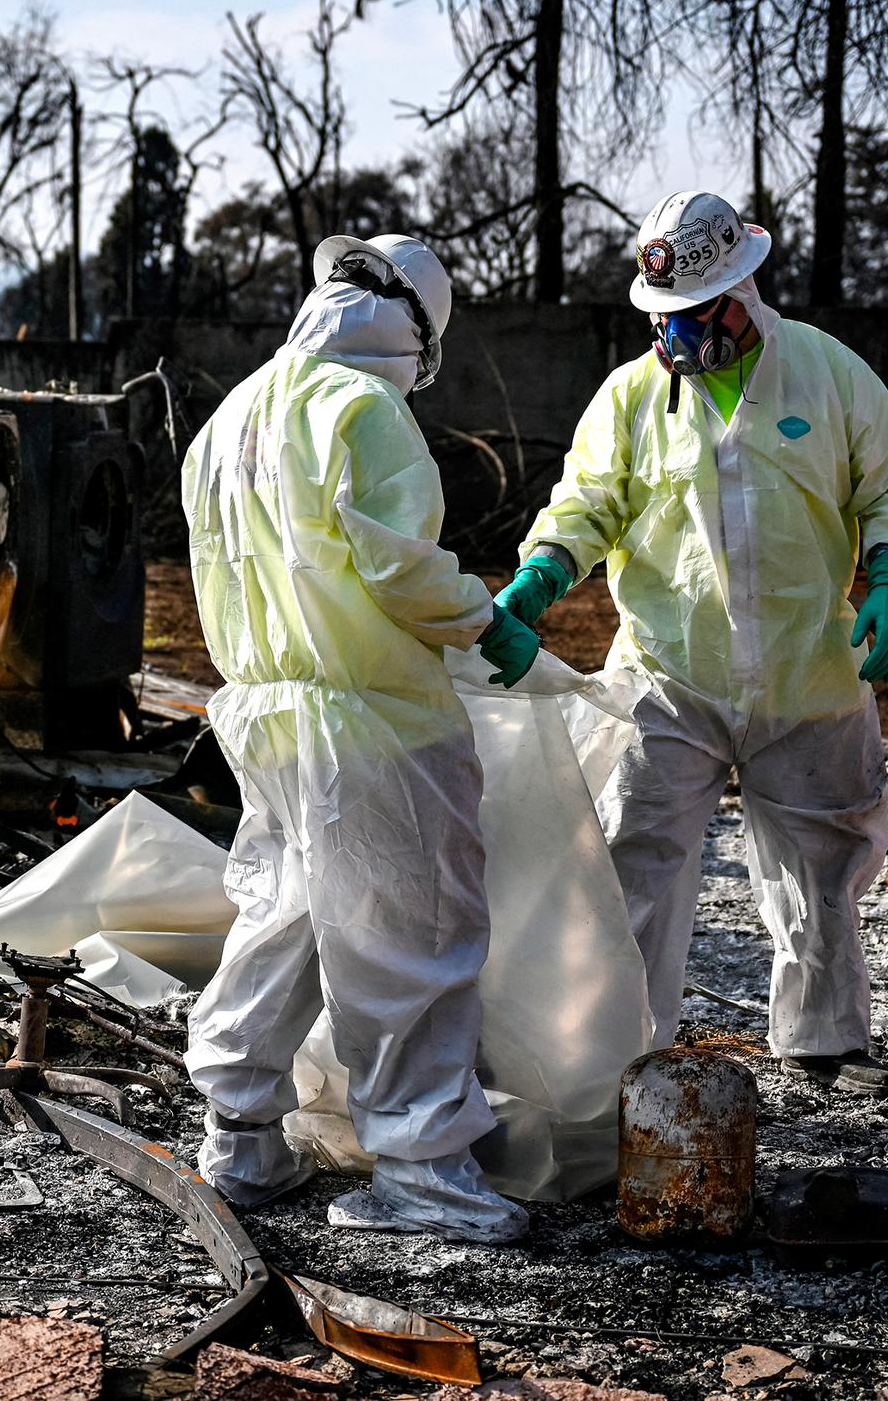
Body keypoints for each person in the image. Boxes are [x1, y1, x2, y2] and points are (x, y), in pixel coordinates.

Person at [495, 190, 888, 1094]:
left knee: (824, 860)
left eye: (693, 318)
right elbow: (586, 503)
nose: (678, 339)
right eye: (663, 321)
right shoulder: (631, 398)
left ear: (743, 292)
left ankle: (824, 1040)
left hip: (806, 668)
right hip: (668, 671)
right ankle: (626, 1056)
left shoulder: (825, 372)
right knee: (632, 860)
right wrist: (543, 572)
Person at [181, 232, 538, 1240]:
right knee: (412, 934)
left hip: (264, 711)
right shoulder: (363, 409)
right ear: (417, 333)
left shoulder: (233, 416)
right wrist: (483, 620)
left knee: (283, 918)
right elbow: (396, 568)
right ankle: (423, 1170)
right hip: (371, 715)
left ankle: (240, 1138)